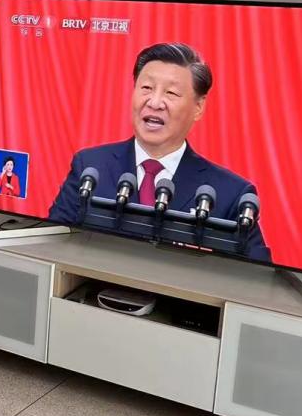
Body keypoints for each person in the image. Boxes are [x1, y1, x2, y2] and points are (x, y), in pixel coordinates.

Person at [47, 43, 271, 261]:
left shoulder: (230, 194)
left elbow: (258, 275)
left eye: (171, 93)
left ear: (198, 107)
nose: (154, 102)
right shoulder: (90, 167)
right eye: (146, 88)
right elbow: (52, 244)